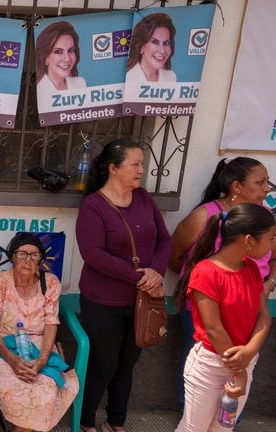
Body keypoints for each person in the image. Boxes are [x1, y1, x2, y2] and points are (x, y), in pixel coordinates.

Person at [75, 138, 171, 432]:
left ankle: (117, 422)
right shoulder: (93, 206)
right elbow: (93, 254)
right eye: (136, 164)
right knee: (103, 365)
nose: (142, 170)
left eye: (143, 164)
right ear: (113, 168)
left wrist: (155, 271)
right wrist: (140, 277)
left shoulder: (143, 199)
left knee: (127, 365)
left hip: (142, 301)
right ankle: (86, 421)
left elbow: (164, 240)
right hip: (103, 302)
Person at [170, 157, 274, 407]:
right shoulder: (205, 216)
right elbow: (175, 256)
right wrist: (204, 286)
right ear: (237, 187)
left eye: (267, 182)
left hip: (248, 313)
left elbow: (273, 258)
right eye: (260, 183)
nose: (266, 189)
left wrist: (268, 283)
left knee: (235, 390)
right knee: (202, 385)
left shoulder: (266, 217)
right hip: (207, 315)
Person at [0, 232, 79, 432]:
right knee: (15, 388)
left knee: (46, 388)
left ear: (40, 260)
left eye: (34, 255)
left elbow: (51, 324)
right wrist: (12, 360)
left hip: (39, 347)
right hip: (3, 348)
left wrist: (42, 360)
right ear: (12, 257)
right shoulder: (0, 281)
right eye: (22, 254)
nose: (28, 259)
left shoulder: (50, 283)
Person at [35, 21, 87, 94]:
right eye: (58, 51)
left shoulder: (80, 84)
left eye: (71, 50)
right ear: (45, 57)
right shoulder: (36, 90)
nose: (67, 59)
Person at [126, 13, 177, 84]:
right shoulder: (127, 78)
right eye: (155, 42)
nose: (162, 51)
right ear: (141, 46)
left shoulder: (170, 77)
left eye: (166, 43)